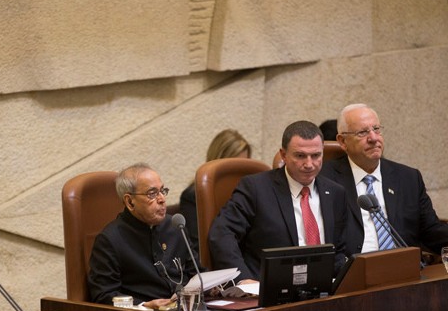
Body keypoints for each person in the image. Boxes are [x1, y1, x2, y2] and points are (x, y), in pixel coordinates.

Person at [208, 121, 348, 283]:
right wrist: (243, 279)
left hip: (323, 290)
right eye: (300, 156)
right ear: (283, 155)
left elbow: (338, 250)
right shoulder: (256, 188)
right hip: (269, 289)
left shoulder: (336, 193)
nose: (309, 164)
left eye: (316, 155)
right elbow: (221, 233)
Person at [320, 103, 448, 256]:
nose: (373, 138)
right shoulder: (324, 180)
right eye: (362, 132)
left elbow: (432, 231)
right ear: (342, 141)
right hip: (353, 273)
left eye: (376, 129)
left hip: (405, 269)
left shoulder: (408, 178)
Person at [87, 163, 202, 308]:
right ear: (130, 202)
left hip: (186, 310)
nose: (162, 199)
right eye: (152, 194)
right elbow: (103, 295)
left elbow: (196, 272)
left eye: (162, 191)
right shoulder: (110, 240)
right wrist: (143, 306)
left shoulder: (175, 226)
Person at [179, 129, 251, 252]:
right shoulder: (193, 197)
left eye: (243, 168)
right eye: (234, 169)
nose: (239, 175)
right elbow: (199, 249)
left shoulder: (248, 195)